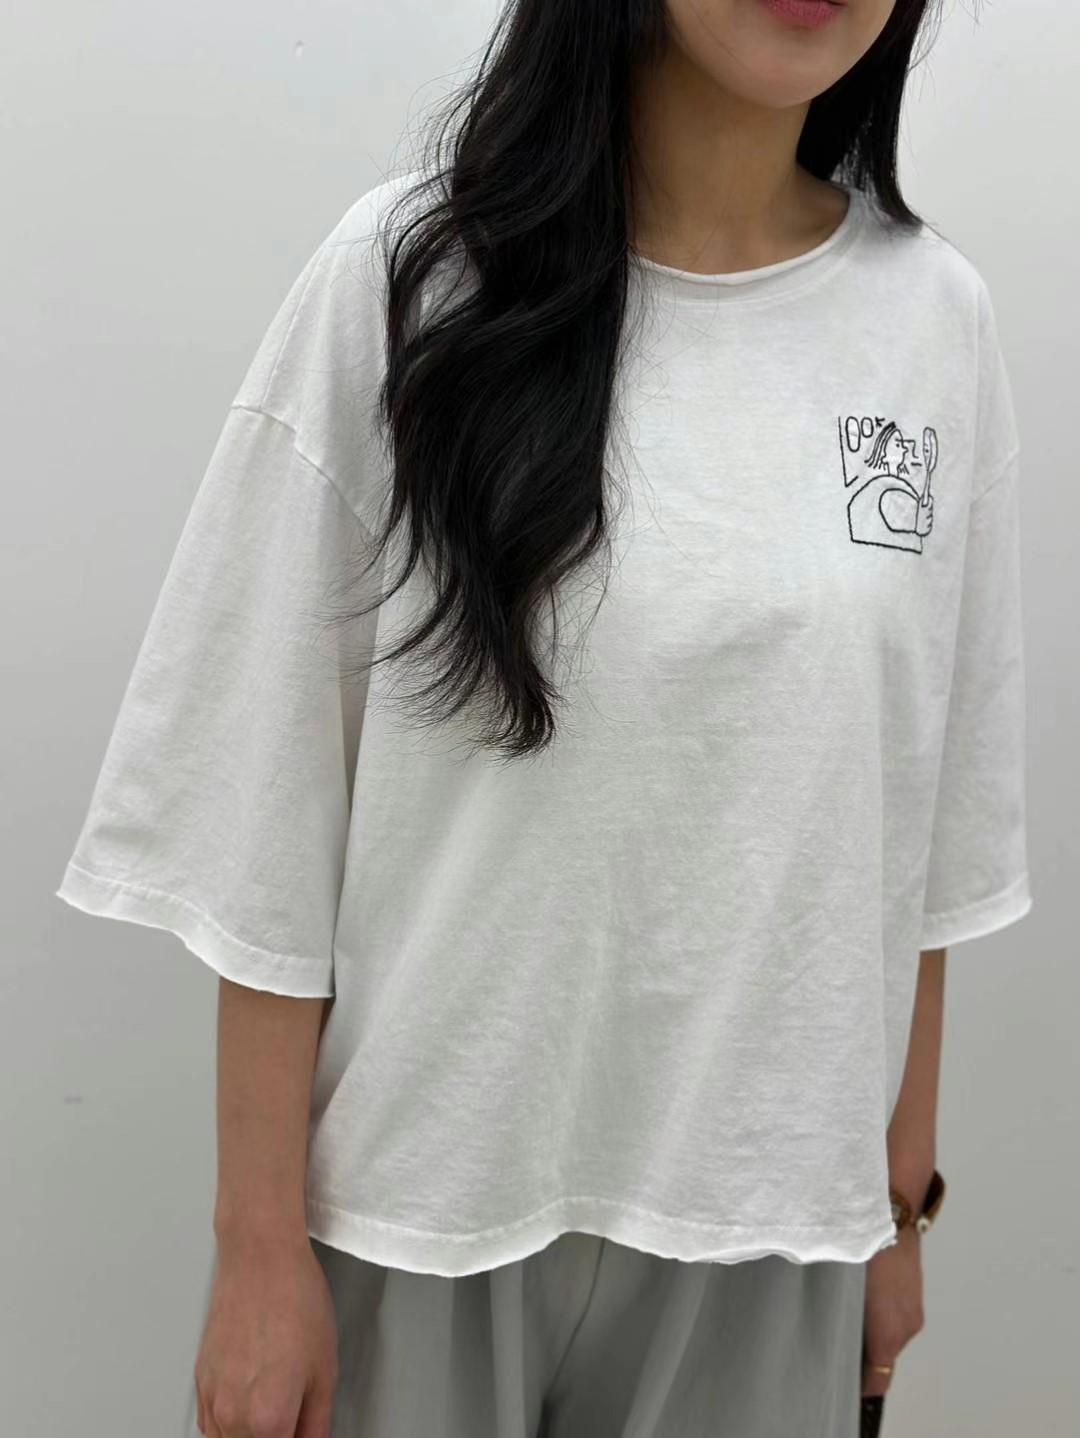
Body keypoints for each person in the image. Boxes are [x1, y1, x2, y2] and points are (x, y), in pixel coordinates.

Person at [54, 2, 1033, 1435]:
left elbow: (925, 826)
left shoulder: (933, 320)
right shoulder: (410, 281)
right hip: (419, 1211)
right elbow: (264, 792)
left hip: (766, 1228)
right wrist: (256, 1244)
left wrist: (897, 1210)